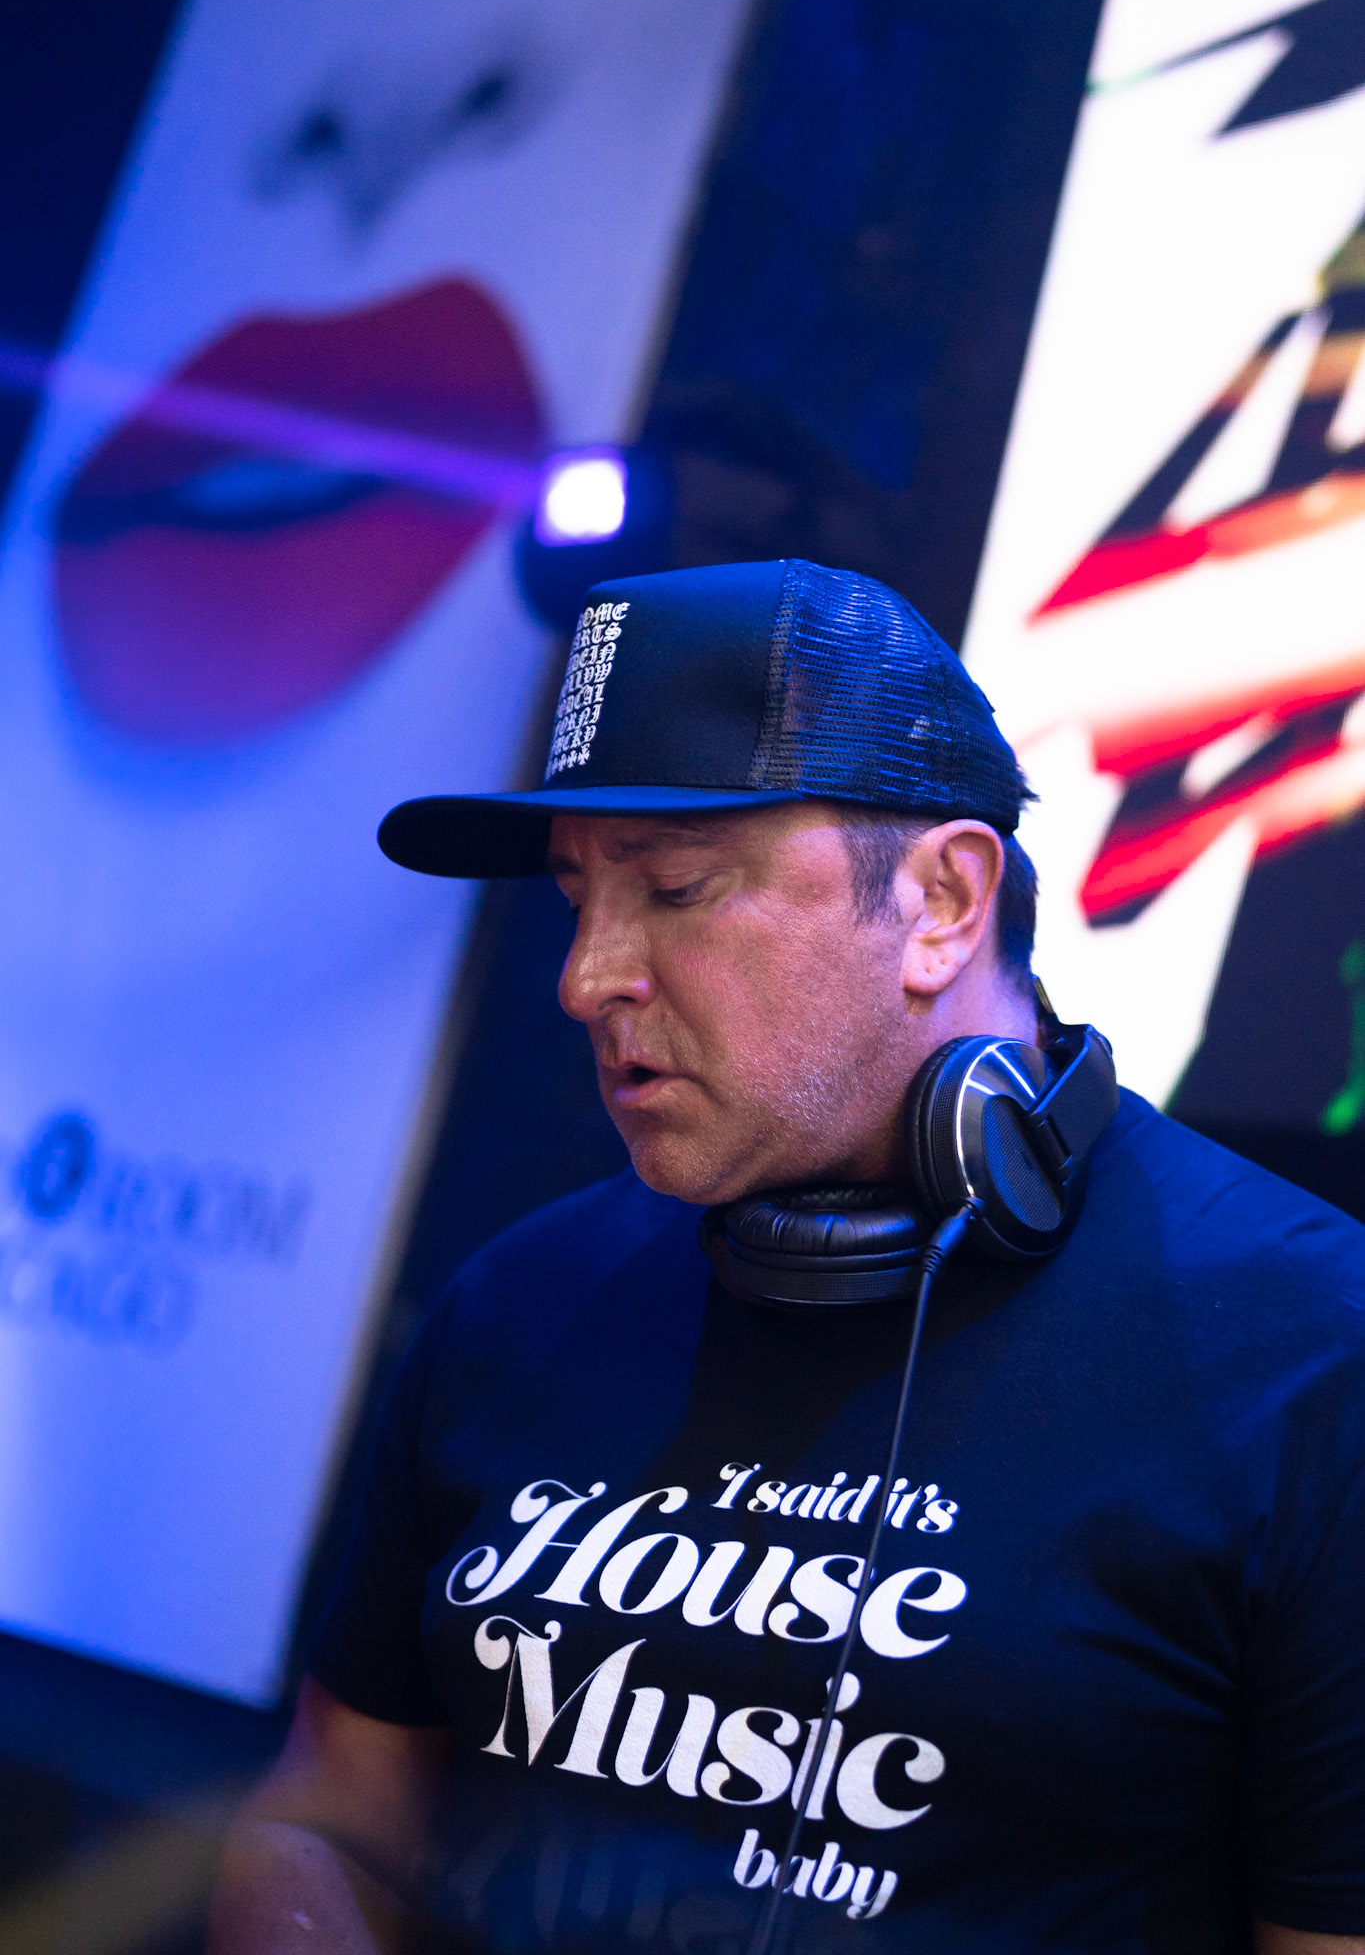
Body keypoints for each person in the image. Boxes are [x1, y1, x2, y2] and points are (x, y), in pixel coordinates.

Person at [208, 561, 1365, 1955]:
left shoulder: (1311, 1352)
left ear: (941, 901)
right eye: (575, 898)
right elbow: (326, 1823)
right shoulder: (519, 1301)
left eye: (675, 887)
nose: (585, 977)